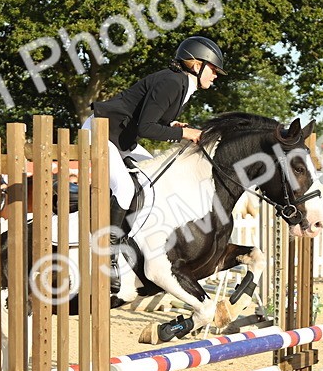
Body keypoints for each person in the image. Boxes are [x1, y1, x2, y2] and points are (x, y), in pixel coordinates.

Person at [84, 36, 224, 231]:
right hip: (101, 132)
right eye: (213, 69)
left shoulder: (181, 83)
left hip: (121, 138)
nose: (216, 75)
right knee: (124, 189)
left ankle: (130, 234)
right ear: (196, 65)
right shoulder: (172, 82)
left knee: (152, 180)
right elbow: (146, 128)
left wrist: (172, 124)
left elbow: (151, 117)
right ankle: (109, 245)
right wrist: (184, 133)